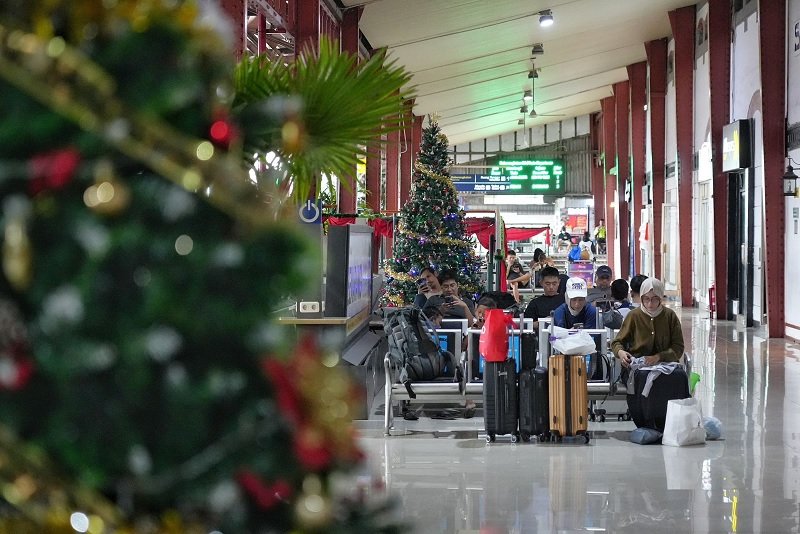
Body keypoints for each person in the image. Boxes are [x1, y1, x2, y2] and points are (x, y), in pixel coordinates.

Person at [610, 278, 684, 369]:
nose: (650, 304)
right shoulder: (634, 316)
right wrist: (620, 352)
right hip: (639, 368)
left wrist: (659, 357)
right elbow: (617, 342)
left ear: (660, 298)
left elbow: (678, 347)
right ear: (641, 297)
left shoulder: (670, 316)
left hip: (666, 366)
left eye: (654, 299)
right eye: (646, 299)